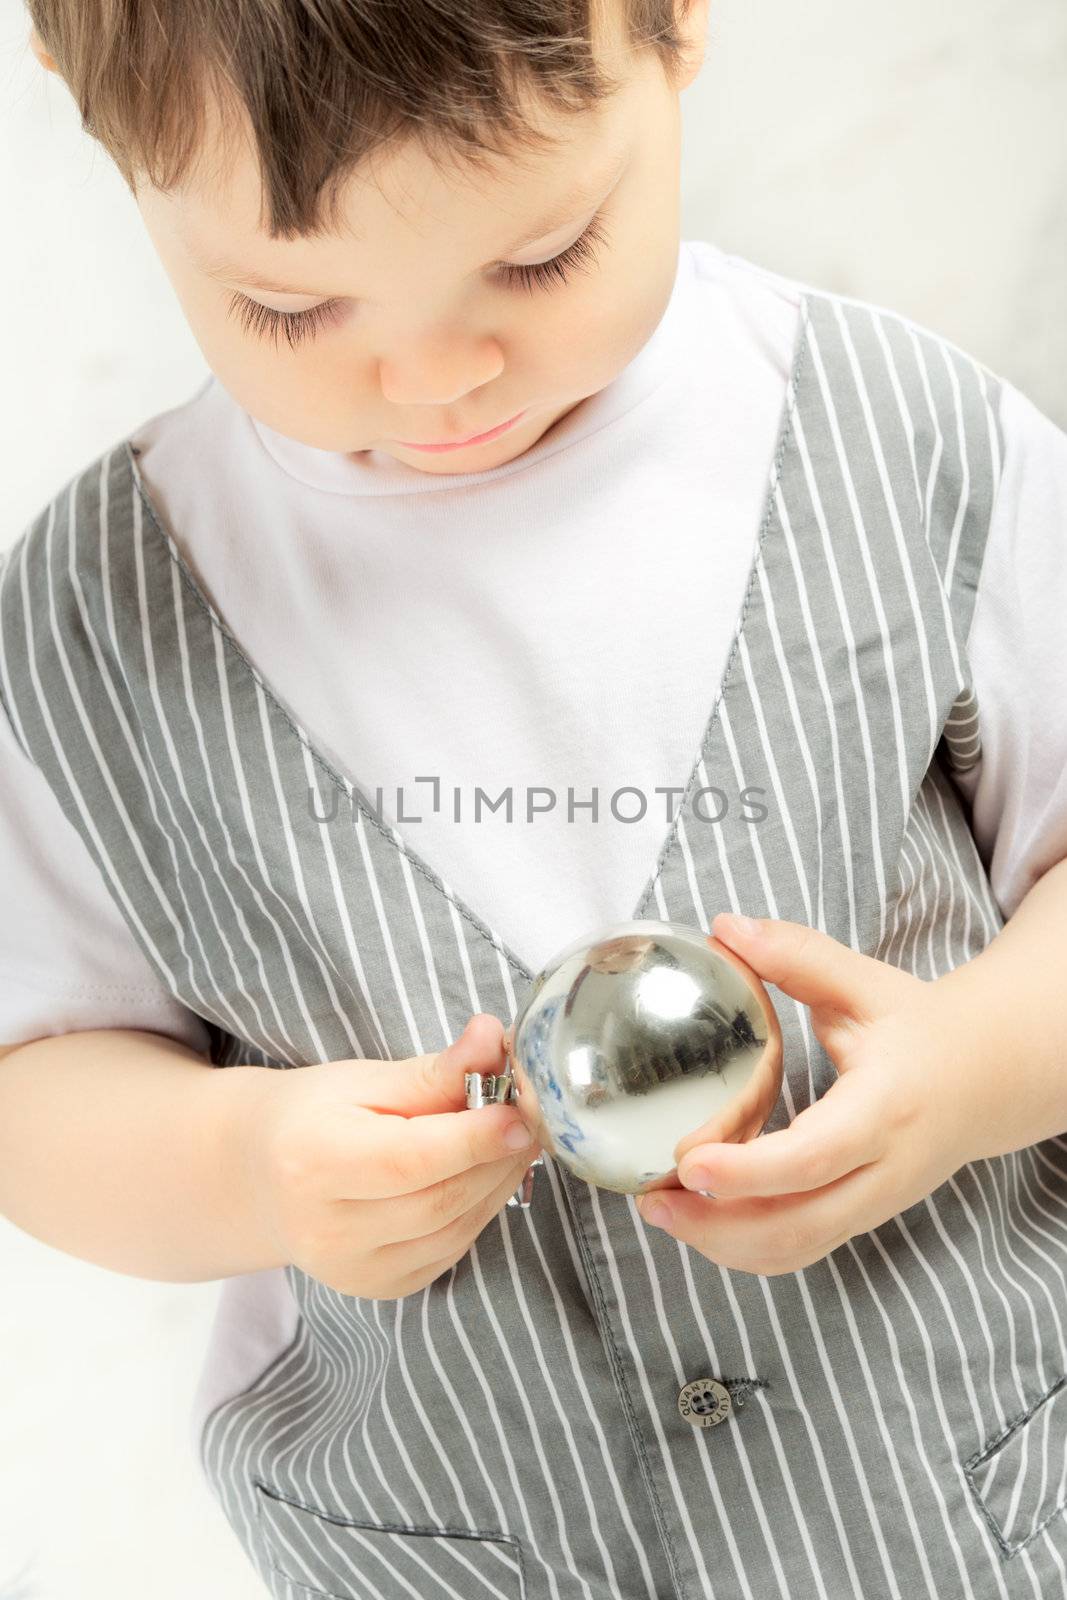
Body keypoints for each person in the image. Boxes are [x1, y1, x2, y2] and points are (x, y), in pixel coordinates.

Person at [3, 1, 1067, 1594]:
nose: (440, 374)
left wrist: (975, 1068)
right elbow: (34, 1081)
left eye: (544, 253)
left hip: (963, 1496)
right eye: (289, 304)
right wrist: (243, 1164)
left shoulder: (907, 444)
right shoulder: (94, 623)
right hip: (468, 1544)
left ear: (676, 27)